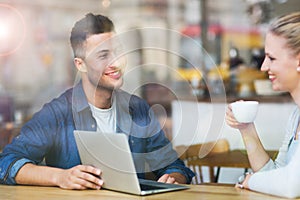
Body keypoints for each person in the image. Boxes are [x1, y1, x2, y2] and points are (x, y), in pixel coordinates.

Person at [0, 13, 194, 190]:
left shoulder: (138, 109)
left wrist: (173, 178)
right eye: (103, 55)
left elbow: (174, 166)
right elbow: (5, 163)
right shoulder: (58, 113)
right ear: (81, 65)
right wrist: (60, 177)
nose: (116, 62)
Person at [226, 12, 300, 198]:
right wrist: (246, 128)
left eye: (272, 58)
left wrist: (250, 181)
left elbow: (290, 185)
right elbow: (275, 176)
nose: (263, 67)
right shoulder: (297, 115)